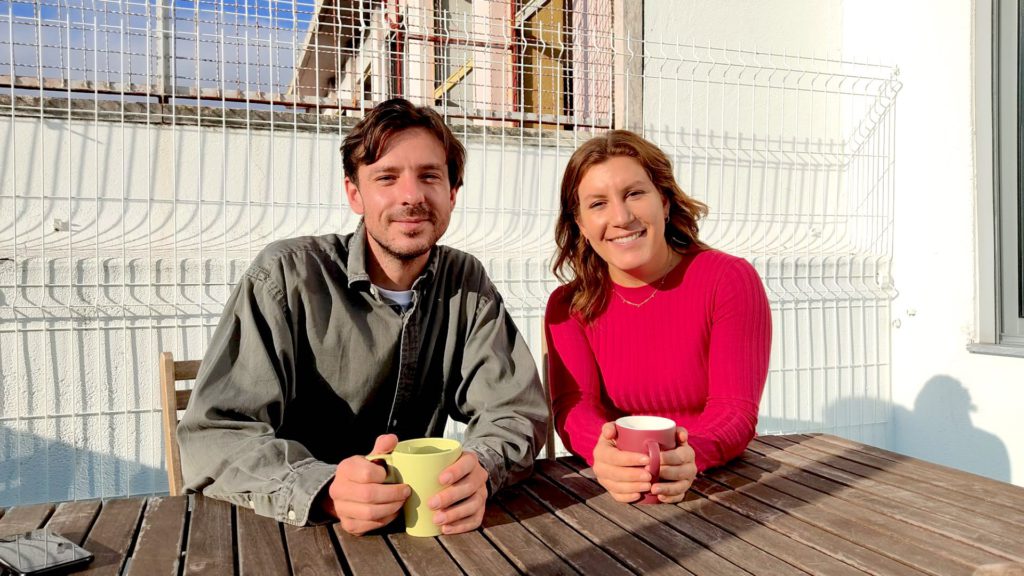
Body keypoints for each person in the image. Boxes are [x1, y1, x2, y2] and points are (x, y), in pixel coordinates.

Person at [177, 98, 548, 535]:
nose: (411, 196)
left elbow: (515, 411)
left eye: (429, 176)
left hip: (421, 534)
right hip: (293, 535)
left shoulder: (465, 281)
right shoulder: (286, 277)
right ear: (355, 193)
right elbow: (215, 436)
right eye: (386, 178)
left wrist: (480, 467)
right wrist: (327, 488)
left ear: (451, 194)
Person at [545, 130, 771, 504]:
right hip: (616, 490)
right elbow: (575, 408)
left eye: (634, 193)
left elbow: (735, 409)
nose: (621, 216)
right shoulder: (567, 306)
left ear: (664, 201)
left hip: (719, 486)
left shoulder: (728, 280)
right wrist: (603, 454)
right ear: (581, 225)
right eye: (598, 204)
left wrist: (690, 454)